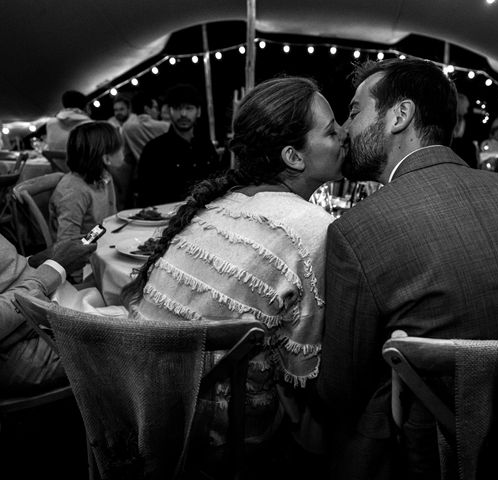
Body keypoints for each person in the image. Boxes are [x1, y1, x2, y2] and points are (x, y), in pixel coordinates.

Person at [317, 58, 498, 479]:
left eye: (355, 111)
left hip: (430, 454)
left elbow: (340, 391)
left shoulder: (358, 230)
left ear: (399, 116)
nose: (345, 128)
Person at [121, 76, 346, 474]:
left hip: (141, 413)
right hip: (219, 437)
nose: (345, 134)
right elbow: (302, 372)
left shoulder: (222, 201)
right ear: (293, 157)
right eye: (331, 131)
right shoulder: (312, 228)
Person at [0, 226, 96, 395]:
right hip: (11, 347)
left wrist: (37, 261)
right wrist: (53, 269)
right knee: (129, 344)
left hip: (36, 305)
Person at [137, 84, 224, 206]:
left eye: (189, 108)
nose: (183, 114)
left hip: (206, 217)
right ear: (169, 111)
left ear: (198, 112)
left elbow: (217, 182)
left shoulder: (205, 145)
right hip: (168, 220)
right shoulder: (154, 149)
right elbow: (146, 196)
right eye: (177, 108)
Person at [49, 122, 119, 242]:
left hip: (103, 239)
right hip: (83, 253)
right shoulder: (74, 192)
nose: (123, 152)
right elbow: (67, 244)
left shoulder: (104, 176)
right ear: (106, 158)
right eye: (119, 148)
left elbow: (109, 220)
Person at [121, 91, 169, 206]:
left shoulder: (127, 128)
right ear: (147, 108)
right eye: (155, 107)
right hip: (166, 175)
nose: (157, 111)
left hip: (143, 179)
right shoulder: (165, 126)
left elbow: (128, 157)